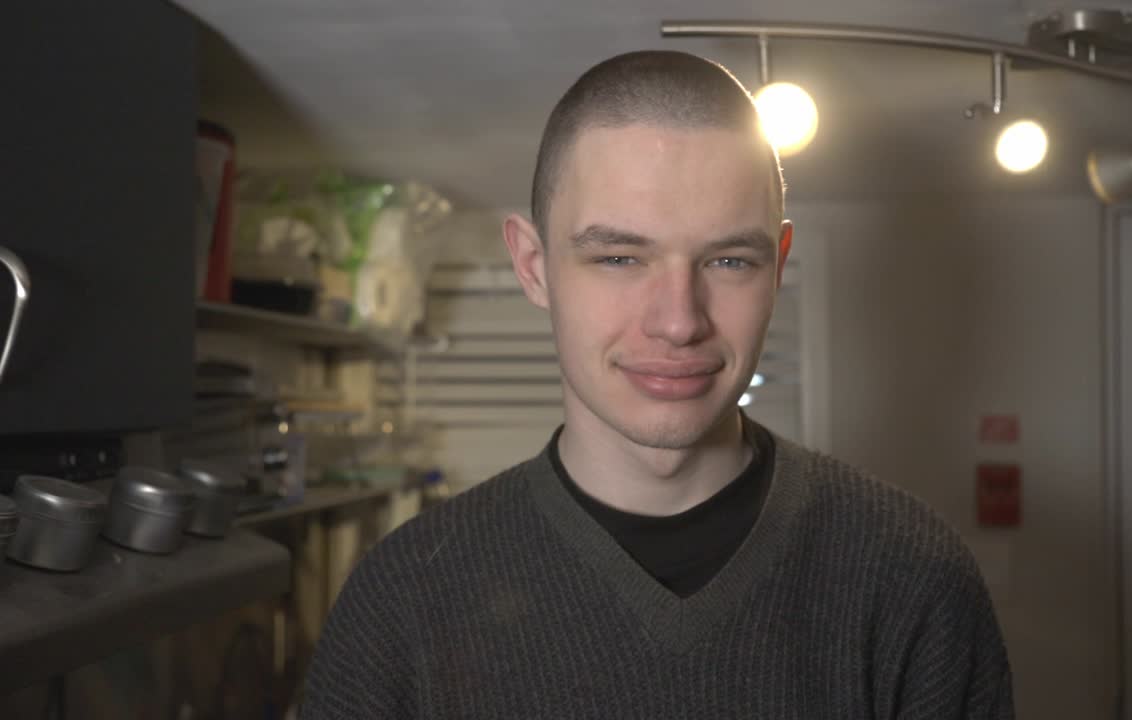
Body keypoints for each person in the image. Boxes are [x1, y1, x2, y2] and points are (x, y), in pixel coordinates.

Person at [303, 50, 1015, 719]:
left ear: (777, 267)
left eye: (730, 261)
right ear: (534, 267)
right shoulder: (402, 601)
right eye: (619, 257)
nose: (678, 322)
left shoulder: (912, 577)